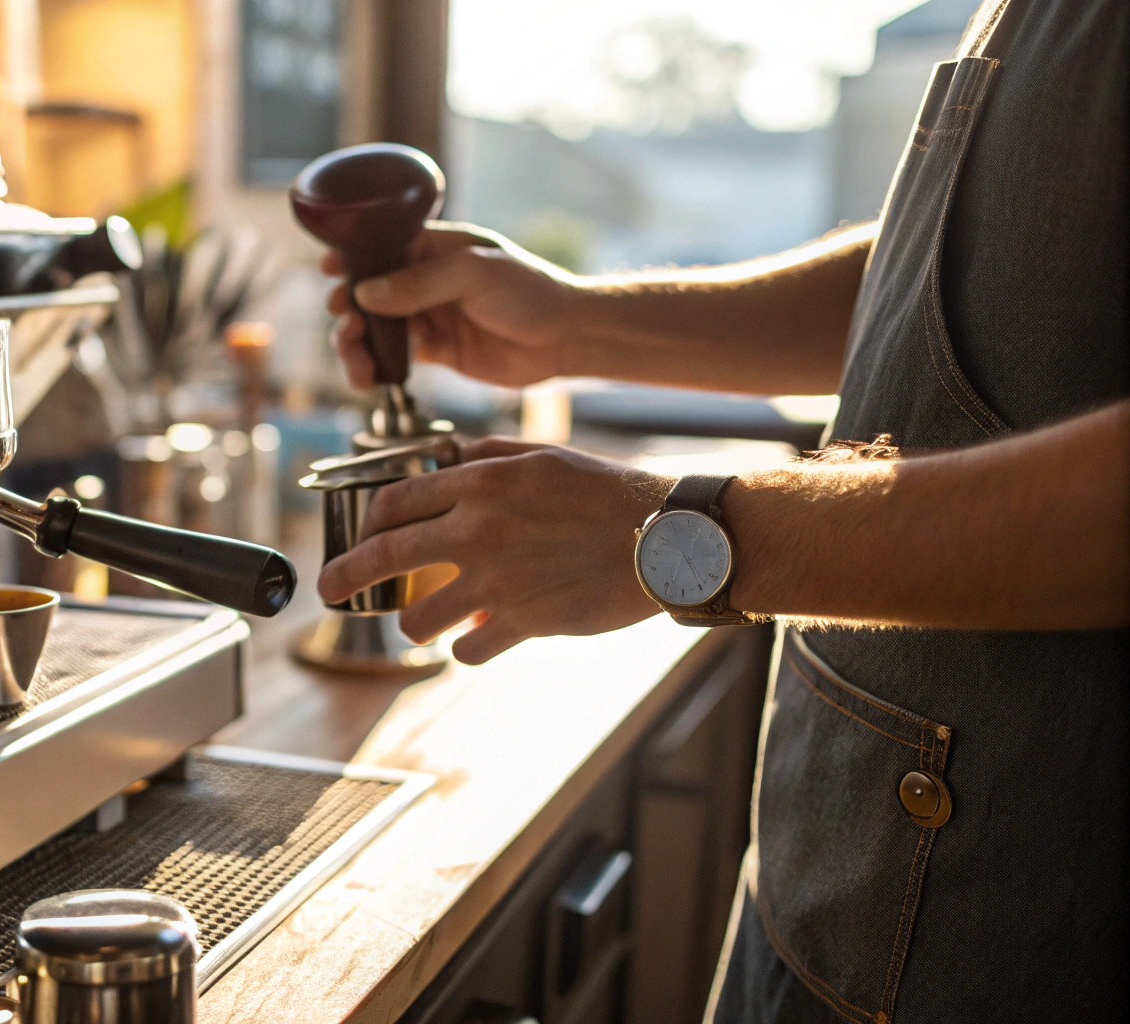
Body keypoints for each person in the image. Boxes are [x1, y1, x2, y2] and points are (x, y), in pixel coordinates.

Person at [313, 0, 1127, 1019]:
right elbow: (958, 268)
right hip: (832, 863)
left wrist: (677, 535)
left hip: (1007, 934)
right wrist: (572, 322)